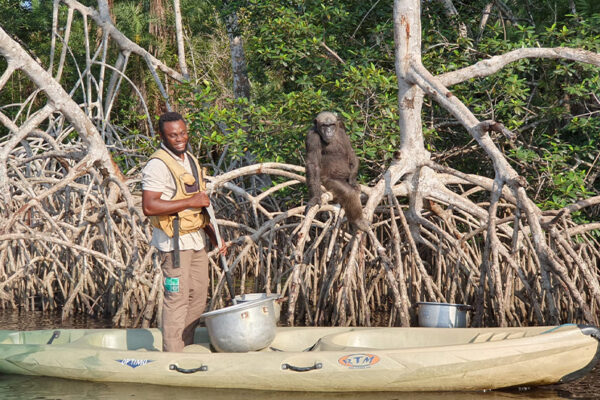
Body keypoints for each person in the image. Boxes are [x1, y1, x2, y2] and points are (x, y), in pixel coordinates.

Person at [141, 111, 225, 352]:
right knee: (176, 299)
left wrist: (216, 238)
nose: (179, 138)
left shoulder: (190, 159)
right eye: (173, 135)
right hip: (174, 245)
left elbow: (201, 206)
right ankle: (172, 355)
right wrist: (190, 201)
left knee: (198, 297)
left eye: (183, 133)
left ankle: (185, 347)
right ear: (162, 136)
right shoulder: (157, 165)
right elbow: (149, 206)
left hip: (196, 241)